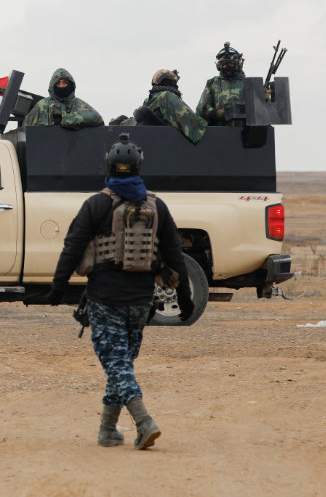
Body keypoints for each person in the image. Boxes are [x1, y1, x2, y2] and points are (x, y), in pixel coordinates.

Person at [47, 133, 194, 449]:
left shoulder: (95, 204)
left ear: (109, 167)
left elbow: (72, 247)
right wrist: (185, 297)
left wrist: (57, 287)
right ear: (139, 167)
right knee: (121, 364)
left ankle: (144, 423)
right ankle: (108, 431)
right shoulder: (158, 207)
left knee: (117, 366)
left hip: (104, 299)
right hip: (142, 302)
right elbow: (174, 253)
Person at [138, 69, 207, 144]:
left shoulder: (149, 100)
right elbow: (189, 120)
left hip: (157, 142)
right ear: (169, 81)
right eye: (174, 82)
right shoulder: (167, 96)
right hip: (171, 143)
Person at [24, 68, 103, 129]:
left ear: (71, 84)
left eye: (65, 83)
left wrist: (65, 119)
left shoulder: (80, 105)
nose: (61, 86)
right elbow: (25, 128)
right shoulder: (42, 106)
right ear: (53, 85)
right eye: (58, 83)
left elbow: (98, 119)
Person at [197, 42, 247, 126]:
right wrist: (216, 113)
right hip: (220, 133)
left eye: (230, 63)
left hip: (244, 133)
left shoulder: (248, 83)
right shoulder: (213, 83)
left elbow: (260, 109)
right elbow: (202, 109)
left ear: (237, 63)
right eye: (224, 64)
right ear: (219, 66)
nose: (227, 67)